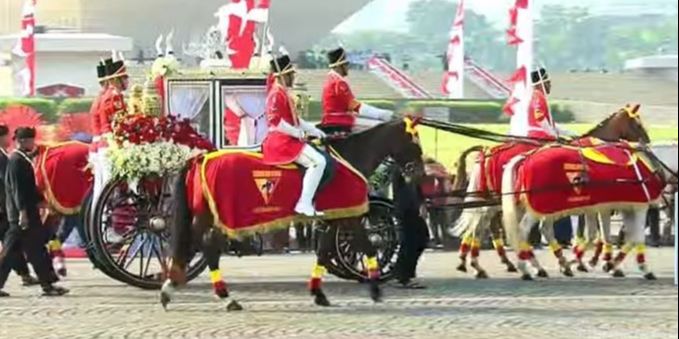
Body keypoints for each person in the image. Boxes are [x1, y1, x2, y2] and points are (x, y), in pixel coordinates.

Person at [0, 127, 68, 297]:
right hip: (23, 216)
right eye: (31, 140)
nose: (33, 143)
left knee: (26, 251)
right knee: (31, 251)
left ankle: (48, 284)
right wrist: (23, 212)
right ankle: (48, 285)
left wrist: (42, 202)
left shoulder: (20, 159)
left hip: (25, 213)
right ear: (22, 141)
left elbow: (30, 188)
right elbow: (18, 190)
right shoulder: (16, 161)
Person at [262, 54, 328, 217]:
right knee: (318, 162)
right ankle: (303, 203)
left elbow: (296, 120)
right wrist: (299, 133)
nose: (293, 77)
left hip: (287, 138)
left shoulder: (283, 93)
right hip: (280, 142)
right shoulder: (276, 93)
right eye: (290, 74)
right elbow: (276, 122)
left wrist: (314, 130)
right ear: (282, 75)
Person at [320, 47, 393, 135]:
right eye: (347, 64)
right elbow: (356, 107)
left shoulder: (332, 79)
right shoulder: (339, 83)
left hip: (335, 119)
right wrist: (383, 114)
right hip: (340, 121)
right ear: (340, 66)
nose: (348, 67)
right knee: (382, 127)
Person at [0, 124, 39, 286]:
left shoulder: (7, 156)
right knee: (11, 245)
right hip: (6, 208)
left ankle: (26, 275)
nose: (10, 139)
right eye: (7, 136)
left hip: (8, 207)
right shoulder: (5, 158)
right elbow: (10, 184)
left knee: (12, 245)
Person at [393, 170, 429, 289]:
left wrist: (422, 203)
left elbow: (416, 184)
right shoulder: (393, 166)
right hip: (404, 209)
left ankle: (405, 273)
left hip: (413, 207)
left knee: (422, 238)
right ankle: (403, 276)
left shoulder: (410, 163)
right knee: (409, 242)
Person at [527, 68, 577, 140]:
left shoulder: (533, 96)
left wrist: (570, 133)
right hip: (540, 136)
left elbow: (551, 124)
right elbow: (540, 118)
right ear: (541, 84)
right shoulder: (538, 95)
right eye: (548, 83)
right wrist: (553, 135)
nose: (550, 85)